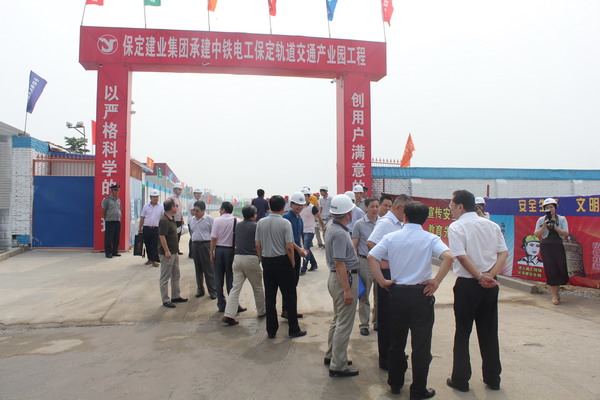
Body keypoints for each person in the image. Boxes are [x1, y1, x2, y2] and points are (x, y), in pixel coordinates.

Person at [368, 201, 454, 398]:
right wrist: (436, 282)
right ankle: (418, 389)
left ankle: (395, 384)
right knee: (421, 345)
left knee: (396, 342)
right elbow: (449, 257)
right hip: (421, 295)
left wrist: (382, 281)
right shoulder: (430, 238)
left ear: (405, 216)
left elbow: (372, 257)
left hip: (397, 294)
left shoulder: (391, 237)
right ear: (425, 219)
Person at [446, 190, 508, 393]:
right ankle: (493, 378)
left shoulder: (457, 226)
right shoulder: (491, 225)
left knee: (463, 332)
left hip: (468, 284)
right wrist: (490, 275)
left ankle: (461, 379)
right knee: (489, 331)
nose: (450, 208)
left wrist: (481, 277)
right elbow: (503, 252)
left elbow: (461, 256)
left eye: (451, 205)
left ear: (460, 206)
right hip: (490, 284)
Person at [366, 194, 413, 370]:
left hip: (397, 271)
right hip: (386, 272)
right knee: (386, 317)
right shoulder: (385, 223)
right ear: (399, 208)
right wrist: (382, 261)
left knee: (397, 317)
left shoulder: (400, 223)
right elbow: (371, 243)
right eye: (406, 211)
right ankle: (385, 358)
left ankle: (395, 352)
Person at [255, 195, 307, 339]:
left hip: (267, 261)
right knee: (290, 295)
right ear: (284, 207)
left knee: (270, 297)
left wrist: (261, 258)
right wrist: (292, 262)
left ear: (269, 207)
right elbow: (289, 246)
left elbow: (257, 244)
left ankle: (271, 330)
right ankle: (293, 329)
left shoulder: (261, 222)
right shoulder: (285, 223)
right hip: (283, 261)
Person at [324, 194, 360, 377]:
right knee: (344, 324)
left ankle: (333, 355)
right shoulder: (339, 233)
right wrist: (347, 290)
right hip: (343, 280)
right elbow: (339, 263)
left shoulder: (333, 226)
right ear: (348, 214)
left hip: (337, 279)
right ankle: (338, 365)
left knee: (338, 319)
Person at [221, 205, 266, 325]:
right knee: (257, 287)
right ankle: (261, 311)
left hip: (237, 258)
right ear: (253, 215)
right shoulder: (256, 226)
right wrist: (261, 258)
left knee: (235, 289)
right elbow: (259, 244)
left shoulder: (238, 225)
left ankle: (229, 314)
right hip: (251, 259)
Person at [210, 201, 245, 313]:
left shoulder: (217, 220)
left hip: (219, 250)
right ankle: (234, 305)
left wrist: (211, 252)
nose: (220, 211)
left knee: (218, 278)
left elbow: (213, 238)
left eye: (220, 209)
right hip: (231, 251)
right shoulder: (237, 221)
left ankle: (221, 304)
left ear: (223, 210)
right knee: (231, 279)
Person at [352, 197, 379, 336]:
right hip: (365, 262)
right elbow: (354, 244)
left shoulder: (382, 223)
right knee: (364, 295)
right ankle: (364, 324)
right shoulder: (359, 224)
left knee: (380, 295)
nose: (375, 209)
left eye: (377, 206)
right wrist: (354, 263)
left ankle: (377, 322)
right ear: (366, 208)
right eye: (372, 206)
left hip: (380, 263)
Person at [534, 197, 569, 305]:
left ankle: (557, 292)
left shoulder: (562, 219)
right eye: (547, 207)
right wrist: (544, 226)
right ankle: (554, 295)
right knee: (550, 270)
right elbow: (536, 234)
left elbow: (566, 233)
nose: (549, 209)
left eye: (551, 207)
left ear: (555, 208)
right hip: (546, 246)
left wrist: (555, 227)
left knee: (559, 268)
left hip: (558, 245)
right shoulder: (541, 220)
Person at [282, 192, 308, 319]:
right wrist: (299, 250)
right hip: (289, 253)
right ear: (291, 204)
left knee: (294, 282)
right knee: (289, 283)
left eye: (301, 205)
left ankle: (290, 309)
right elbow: (288, 240)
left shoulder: (300, 218)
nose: (299, 207)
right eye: (297, 204)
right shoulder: (286, 218)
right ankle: (287, 310)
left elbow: (299, 237)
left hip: (297, 252)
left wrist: (302, 249)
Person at [158, 198, 188, 308]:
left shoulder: (172, 218)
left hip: (174, 252)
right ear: (171, 207)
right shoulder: (164, 220)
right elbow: (162, 236)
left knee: (176, 274)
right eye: (175, 206)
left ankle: (175, 296)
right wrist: (166, 251)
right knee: (165, 277)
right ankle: (165, 300)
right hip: (168, 253)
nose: (177, 207)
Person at [189, 200, 217, 299]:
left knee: (209, 269)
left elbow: (214, 234)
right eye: (194, 210)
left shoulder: (209, 219)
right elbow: (191, 232)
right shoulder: (191, 220)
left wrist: (212, 248)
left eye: (197, 211)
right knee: (198, 269)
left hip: (206, 245)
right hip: (195, 245)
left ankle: (213, 291)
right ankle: (200, 289)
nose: (195, 213)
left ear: (203, 211)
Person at [300, 188, 326, 275]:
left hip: (309, 231)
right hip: (302, 231)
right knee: (307, 249)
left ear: (309, 197)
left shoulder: (312, 208)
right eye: (303, 196)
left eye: (306, 196)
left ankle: (304, 268)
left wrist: (323, 226)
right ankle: (314, 264)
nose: (304, 198)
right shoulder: (299, 207)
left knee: (306, 250)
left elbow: (319, 218)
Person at [138, 189, 164, 267]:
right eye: (153, 197)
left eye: (157, 197)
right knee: (147, 244)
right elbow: (142, 217)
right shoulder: (146, 206)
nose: (155, 198)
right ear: (150, 197)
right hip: (146, 228)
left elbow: (163, 219)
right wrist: (140, 228)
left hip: (156, 229)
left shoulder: (161, 207)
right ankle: (150, 259)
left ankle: (154, 260)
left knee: (154, 244)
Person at [102, 184, 122, 258]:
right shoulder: (107, 200)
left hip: (117, 221)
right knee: (109, 238)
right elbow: (103, 210)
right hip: (110, 221)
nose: (117, 192)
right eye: (116, 190)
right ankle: (108, 253)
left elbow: (120, 209)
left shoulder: (118, 200)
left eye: (118, 190)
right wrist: (106, 218)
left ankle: (114, 251)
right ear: (112, 191)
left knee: (116, 237)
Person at [167, 183, 185, 255]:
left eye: (180, 190)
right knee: (173, 235)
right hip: (173, 219)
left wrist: (182, 218)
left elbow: (180, 210)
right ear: (174, 190)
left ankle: (176, 249)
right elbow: (168, 209)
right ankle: (171, 249)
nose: (180, 191)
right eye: (178, 189)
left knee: (178, 235)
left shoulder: (179, 199)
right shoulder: (170, 198)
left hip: (178, 220)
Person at [187, 188, 203, 258]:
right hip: (192, 222)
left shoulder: (199, 202)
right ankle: (191, 254)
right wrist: (201, 215)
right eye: (197, 193)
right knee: (192, 238)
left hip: (197, 222)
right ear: (194, 194)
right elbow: (192, 212)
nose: (198, 195)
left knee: (195, 238)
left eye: (199, 194)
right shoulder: (192, 202)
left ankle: (194, 253)